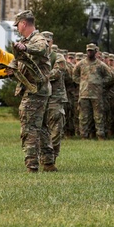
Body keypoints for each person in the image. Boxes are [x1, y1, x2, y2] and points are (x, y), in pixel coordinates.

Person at [11, 10, 55, 172]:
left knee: (29, 127)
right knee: (42, 127)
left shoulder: (38, 39)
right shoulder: (26, 41)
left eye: (18, 25)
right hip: (34, 89)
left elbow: (42, 49)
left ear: (23, 23)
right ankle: (48, 163)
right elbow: (24, 66)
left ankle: (32, 166)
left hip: (36, 91)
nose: (17, 29)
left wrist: (25, 47)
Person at [74, 43, 113, 140]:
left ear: (95, 52)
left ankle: (100, 136)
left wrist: (100, 83)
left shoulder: (100, 65)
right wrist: (82, 83)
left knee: (98, 116)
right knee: (83, 117)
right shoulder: (81, 64)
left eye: (91, 51)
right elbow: (74, 75)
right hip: (84, 94)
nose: (89, 52)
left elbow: (110, 77)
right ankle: (84, 136)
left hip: (96, 95)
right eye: (88, 51)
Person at [42, 32, 69, 162]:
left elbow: (57, 73)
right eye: (44, 41)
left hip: (55, 98)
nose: (46, 44)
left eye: (49, 41)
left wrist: (40, 76)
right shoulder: (37, 57)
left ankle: (52, 157)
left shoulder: (58, 57)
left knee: (56, 129)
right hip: (40, 97)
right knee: (41, 130)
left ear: (52, 42)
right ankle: (42, 156)